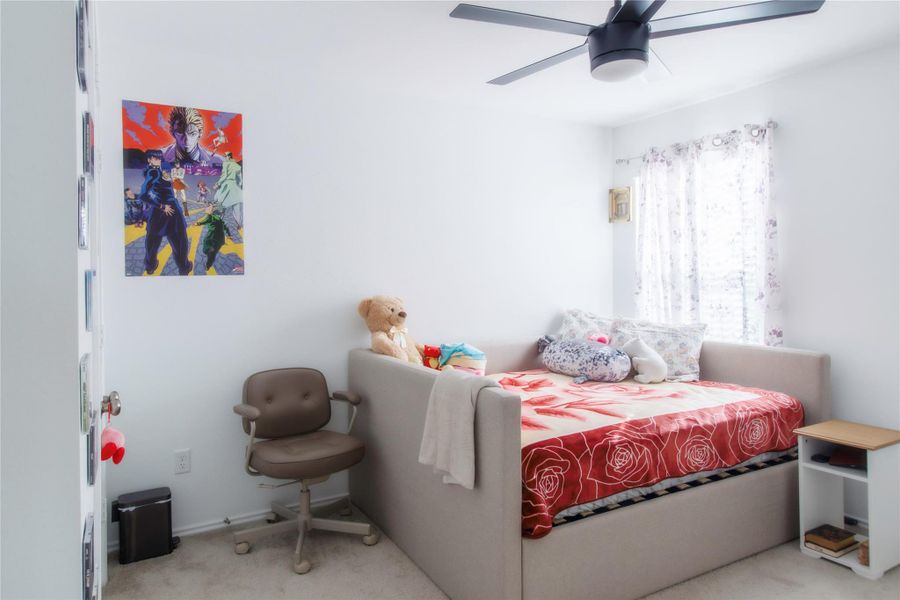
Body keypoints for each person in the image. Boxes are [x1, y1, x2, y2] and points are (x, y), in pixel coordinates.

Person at [139, 149, 192, 275]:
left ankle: (150, 266)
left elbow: (154, 190)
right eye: (154, 158)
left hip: (158, 213)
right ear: (149, 160)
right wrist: (162, 206)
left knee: (153, 241)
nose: (158, 160)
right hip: (169, 211)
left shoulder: (154, 172)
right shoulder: (153, 172)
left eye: (159, 158)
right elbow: (143, 195)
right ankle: (184, 267)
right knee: (179, 241)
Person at [213, 151, 243, 243]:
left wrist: (218, 184)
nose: (224, 157)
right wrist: (238, 187)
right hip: (235, 187)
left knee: (220, 205)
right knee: (237, 208)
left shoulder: (226, 163)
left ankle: (217, 225)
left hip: (226, 186)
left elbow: (224, 176)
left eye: (225, 156)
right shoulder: (238, 166)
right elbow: (240, 180)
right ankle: (239, 225)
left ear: (229, 156)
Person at [195, 204, 232, 271]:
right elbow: (226, 228)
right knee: (213, 254)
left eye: (208, 208)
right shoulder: (220, 220)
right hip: (220, 240)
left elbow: (203, 221)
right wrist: (229, 235)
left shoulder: (210, 217)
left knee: (206, 244)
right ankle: (208, 266)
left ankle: (209, 251)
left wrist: (197, 223)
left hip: (211, 237)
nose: (207, 208)